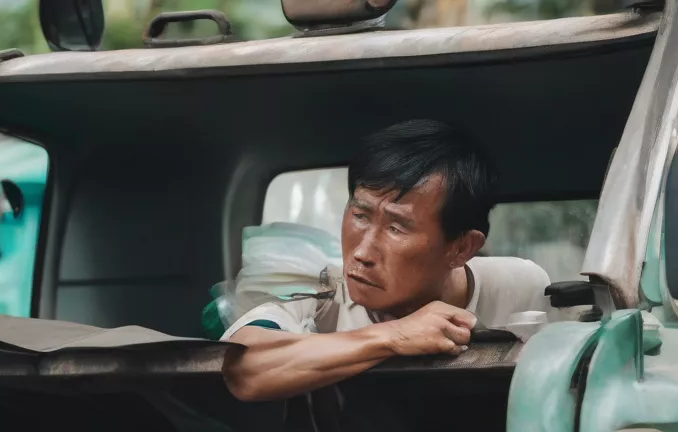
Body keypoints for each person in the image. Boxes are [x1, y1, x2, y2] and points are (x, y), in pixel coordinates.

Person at [221, 119, 551, 402]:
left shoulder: (522, 286)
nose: (362, 253)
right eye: (360, 215)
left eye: (396, 228)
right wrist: (393, 336)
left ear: (462, 247)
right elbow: (244, 368)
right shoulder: (320, 292)